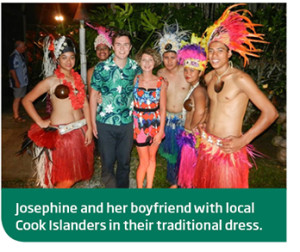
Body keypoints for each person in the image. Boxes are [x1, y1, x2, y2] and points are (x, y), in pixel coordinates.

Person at [193, 4, 279, 188]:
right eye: (211, 51)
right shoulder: (209, 77)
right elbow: (213, 104)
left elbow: (271, 113)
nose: (214, 55)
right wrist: (204, 120)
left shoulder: (241, 79)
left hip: (229, 149)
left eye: (220, 50)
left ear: (230, 53)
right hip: (207, 144)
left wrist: (243, 140)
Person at [21, 36, 94, 188]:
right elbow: (26, 100)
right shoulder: (52, 81)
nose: (69, 61)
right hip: (63, 136)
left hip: (80, 131)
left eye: (72, 57)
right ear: (57, 59)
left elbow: (85, 105)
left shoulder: (77, 78)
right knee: (66, 179)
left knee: (74, 175)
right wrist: (40, 122)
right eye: (64, 57)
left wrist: (90, 129)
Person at [90, 30, 141, 188]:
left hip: (127, 123)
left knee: (124, 162)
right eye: (118, 44)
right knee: (107, 163)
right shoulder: (101, 68)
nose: (122, 48)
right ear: (113, 46)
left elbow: (141, 90)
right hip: (105, 122)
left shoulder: (135, 67)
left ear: (130, 47)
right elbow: (93, 96)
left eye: (126, 44)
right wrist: (92, 124)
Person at [154, 22, 190, 188]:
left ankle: (185, 182)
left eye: (172, 57)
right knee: (171, 154)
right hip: (167, 120)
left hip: (185, 120)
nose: (169, 61)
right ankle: (173, 181)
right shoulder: (160, 74)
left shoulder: (187, 72)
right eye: (166, 57)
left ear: (179, 56)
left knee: (185, 155)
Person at [176, 34, 208, 188]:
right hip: (190, 135)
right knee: (188, 172)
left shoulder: (199, 91)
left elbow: (201, 112)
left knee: (190, 174)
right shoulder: (194, 88)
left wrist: (191, 131)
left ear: (200, 72)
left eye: (192, 71)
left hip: (192, 137)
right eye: (186, 70)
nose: (187, 73)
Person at [133, 48, 167, 188]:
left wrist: (160, 131)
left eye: (150, 60)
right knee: (144, 161)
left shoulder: (161, 82)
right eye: (144, 60)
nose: (147, 63)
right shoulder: (135, 79)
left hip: (155, 124)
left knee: (152, 158)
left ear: (155, 62)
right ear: (140, 62)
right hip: (139, 125)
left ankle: (149, 188)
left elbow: (163, 108)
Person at [86, 24, 113, 96]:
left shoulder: (116, 68)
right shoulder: (91, 71)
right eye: (98, 48)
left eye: (104, 48)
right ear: (95, 51)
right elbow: (91, 95)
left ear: (109, 51)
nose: (102, 51)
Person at [9, 40, 28, 122]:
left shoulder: (20, 55)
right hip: (18, 81)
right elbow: (12, 70)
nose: (25, 48)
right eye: (23, 46)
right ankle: (16, 116)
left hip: (23, 81)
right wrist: (16, 81)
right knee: (17, 98)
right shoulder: (13, 56)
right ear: (18, 47)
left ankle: (17, 112)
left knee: (20, 97)